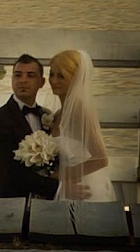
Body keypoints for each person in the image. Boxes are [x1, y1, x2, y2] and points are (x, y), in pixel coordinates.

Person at [0, 53, 59, 198]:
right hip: (11, 202)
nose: (23, 80)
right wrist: (57, 186)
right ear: (12, 79)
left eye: (30, 75)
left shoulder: (47, 116)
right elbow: (9, 170)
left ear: (42, 82)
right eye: (18, 75)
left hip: (45, 204)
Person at [47, 49, 112, 201]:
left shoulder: (79, 110)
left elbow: (101, 159)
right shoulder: (57, 114)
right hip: (66, 187)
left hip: (82, 187)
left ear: (75, 78)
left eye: (61, 76)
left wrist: (60, 175)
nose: (54, 81)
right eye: (51, 74)